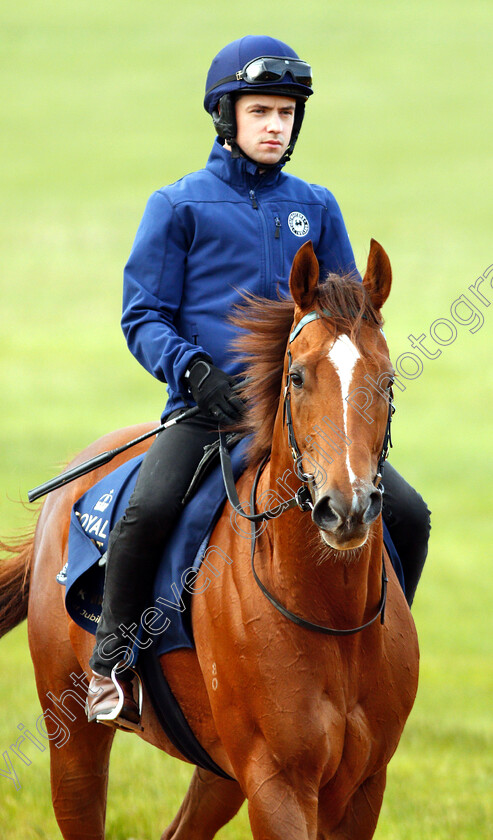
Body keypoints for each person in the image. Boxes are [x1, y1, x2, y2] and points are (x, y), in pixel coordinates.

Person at [86, 35, 430, 729]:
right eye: (261, 112)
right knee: (147, 512)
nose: (276, 125)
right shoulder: (177, 205)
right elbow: (142, 315)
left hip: (303, 420)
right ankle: (110, 666)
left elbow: (342, 312)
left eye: (286, 114)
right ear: (227, 116)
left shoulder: (316, 204)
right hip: (205, 412)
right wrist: (191, 369)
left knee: (409, 513)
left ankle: (378, 649)